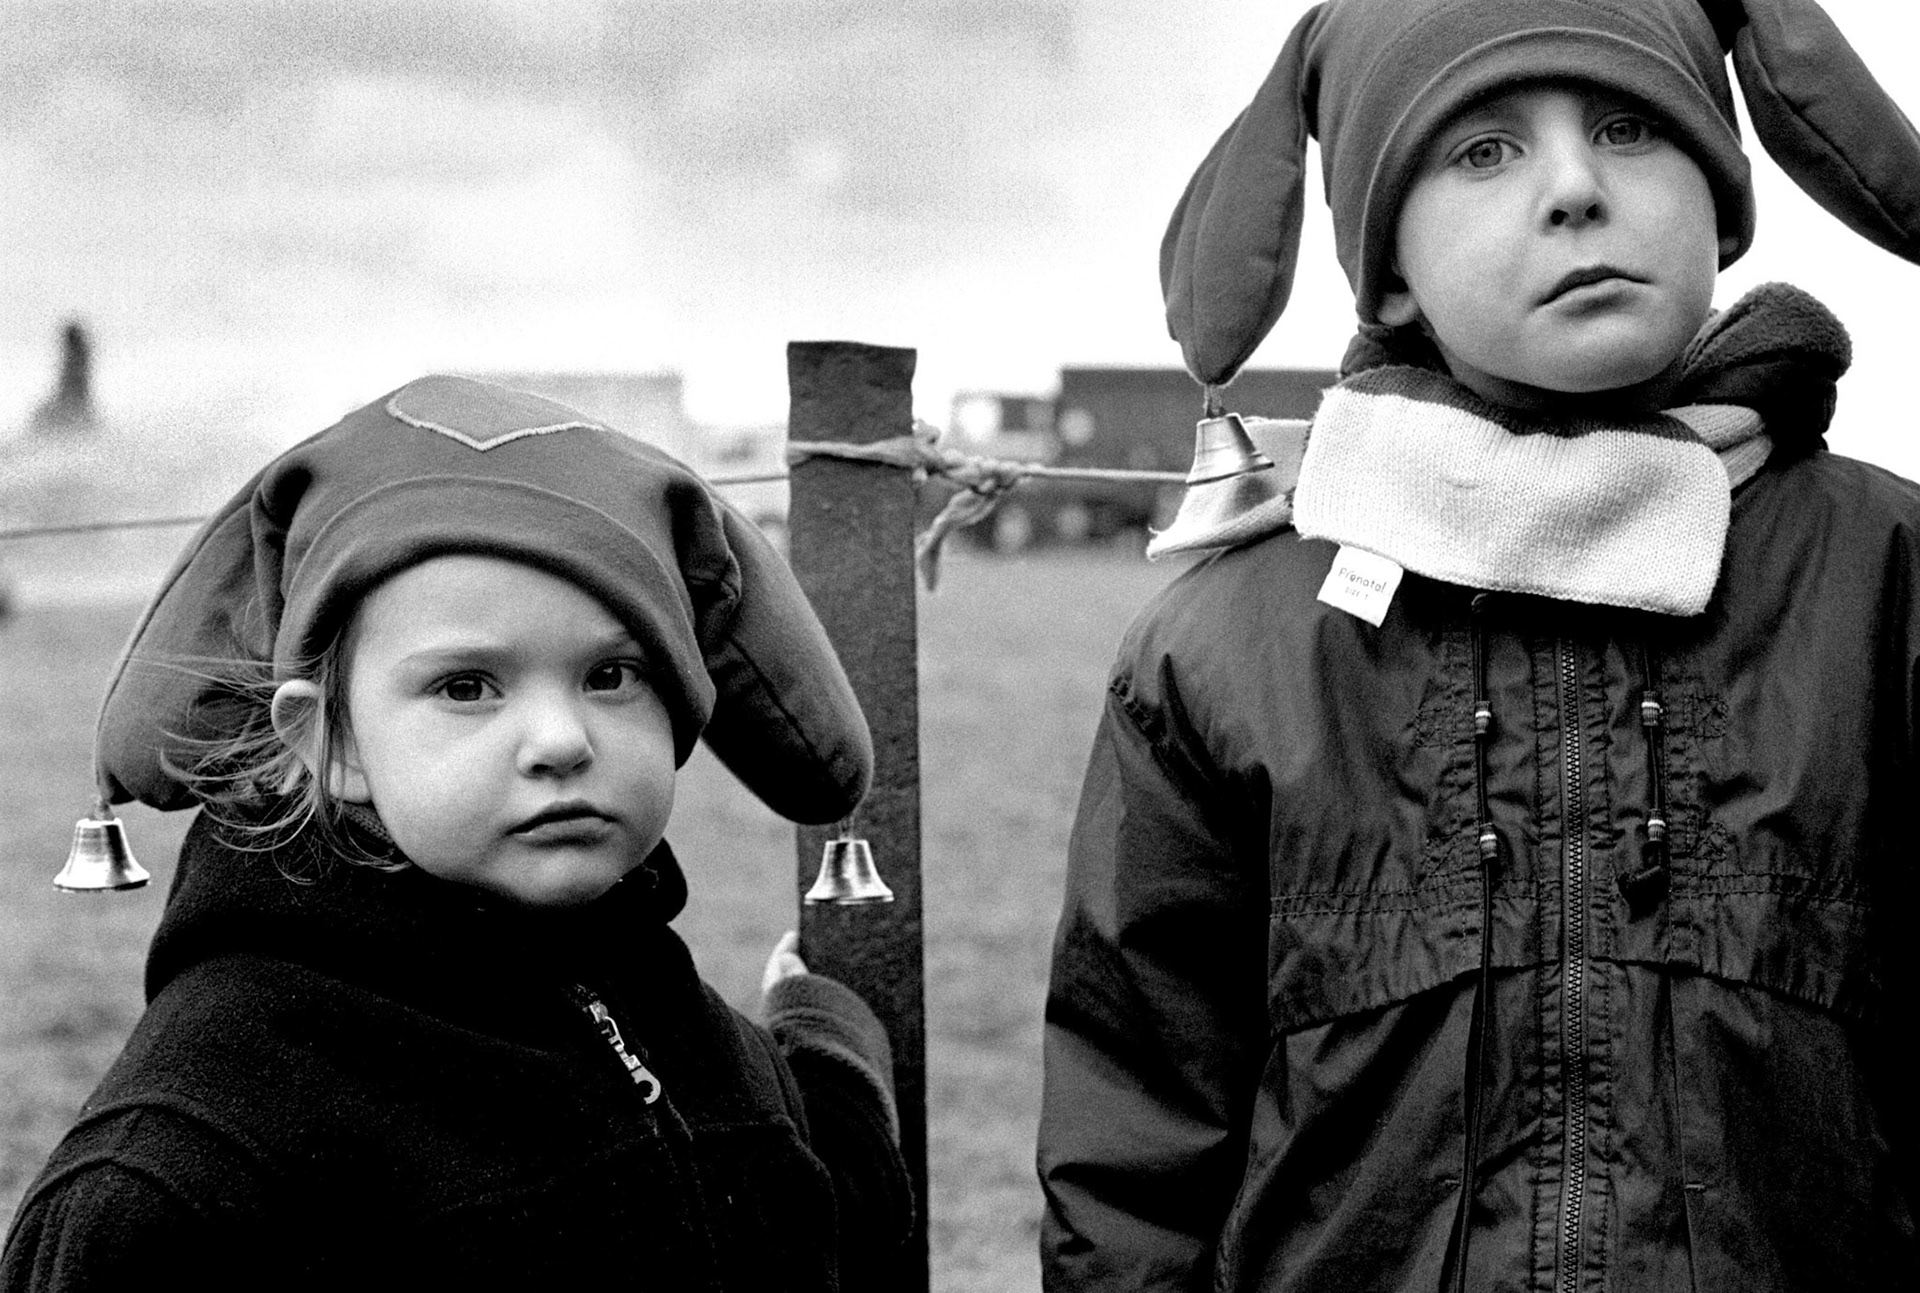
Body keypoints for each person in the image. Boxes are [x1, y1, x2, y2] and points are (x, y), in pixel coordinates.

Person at [1038, 0, 1920, 1288]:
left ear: (1725, 201)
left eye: (1628, 127)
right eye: (1483, 151)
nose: (1574, 188)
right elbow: (1133, 1150)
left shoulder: (1890, 581)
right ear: (1388, 264)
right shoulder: (1225, 647)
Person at [0, 375, 913, 1290]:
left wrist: (822, 1058)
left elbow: (802, 1231)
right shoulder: (186, 1176)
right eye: (467, 686)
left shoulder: (676, 1024)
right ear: (332, 740)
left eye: (612, 673)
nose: (561, 739)